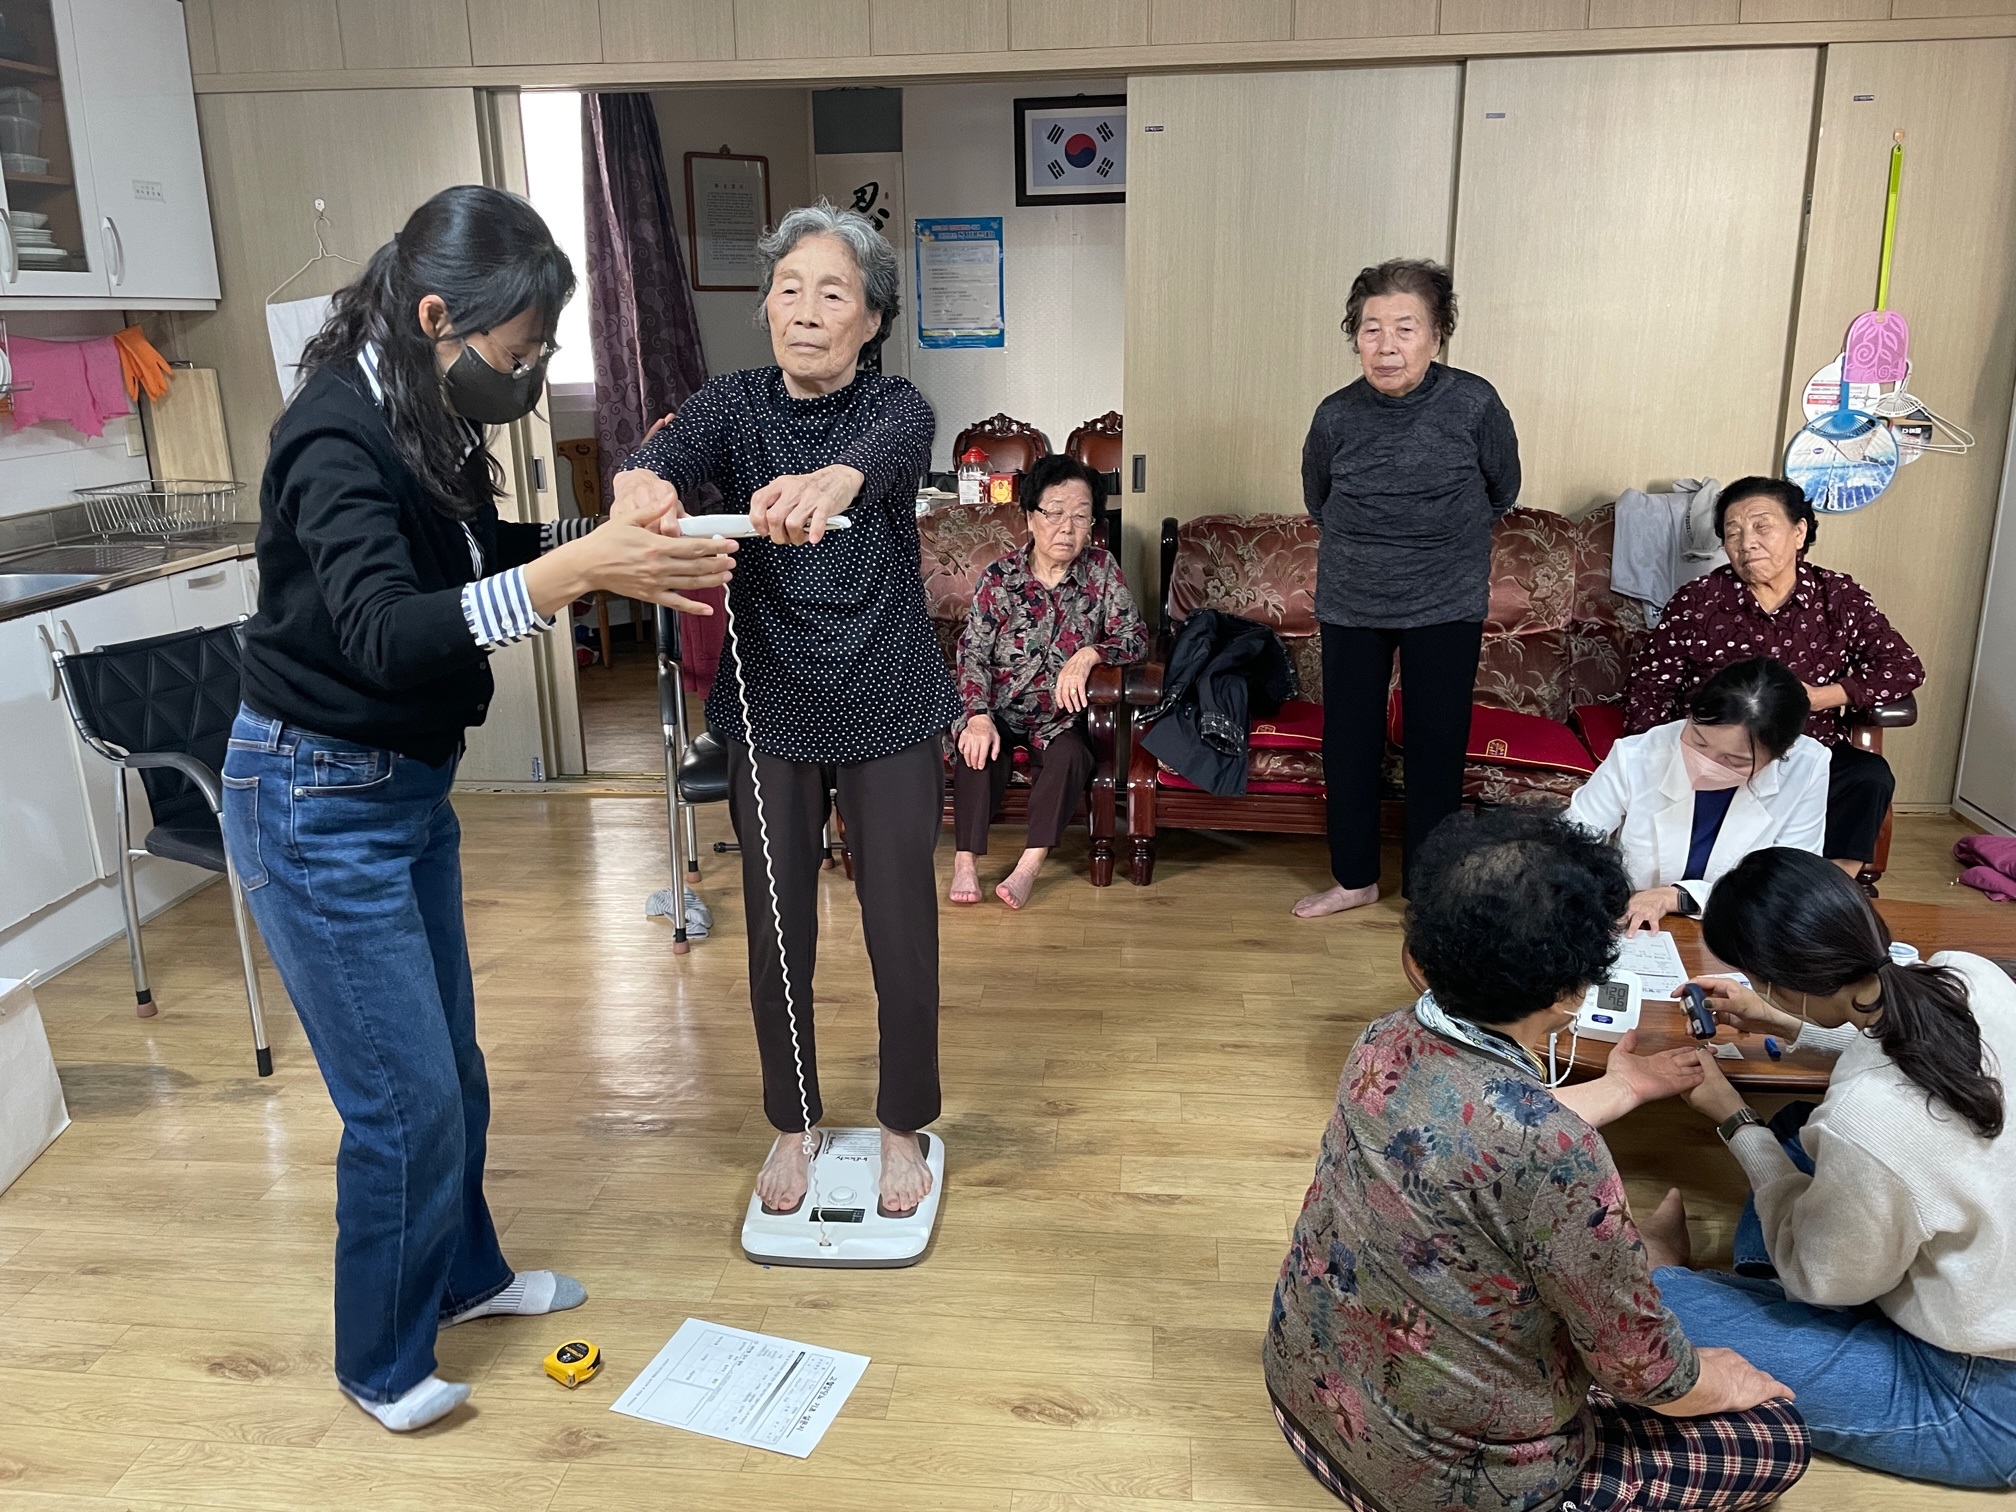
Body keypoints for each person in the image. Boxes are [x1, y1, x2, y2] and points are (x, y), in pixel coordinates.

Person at [220, 187, 736, 1433]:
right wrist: (581, 572)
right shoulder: (333, 433)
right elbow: (387, 635)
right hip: (312, 795)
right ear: (438, 313)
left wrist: (594, 532)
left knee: (450, 1069)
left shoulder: (418, 411)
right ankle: (379, 1362)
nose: (530, 376)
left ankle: (468, 1277)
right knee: (403, 1103)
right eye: (521, 356)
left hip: (397, 789)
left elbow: (465, 552)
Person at [1265, 808, 1809, 1512]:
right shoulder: (1560, 1154)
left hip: (1306, 1395)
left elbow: (1471, 1138)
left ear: (1420, 958)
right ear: (1571, 994)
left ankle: (1656, 1266)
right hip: (1439, 1484)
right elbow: (1644, 1374)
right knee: (1776, 1432)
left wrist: (1621, 1087)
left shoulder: (1381, 1039)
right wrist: (1712, 1380)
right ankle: (1664, 1268)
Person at [615, 202, 957, 1220]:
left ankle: (903, 1125)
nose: (806, 310)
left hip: (890, 697)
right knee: (776, 930)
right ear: (766, 304)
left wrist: (825, 480)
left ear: (871, 319)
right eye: (790, 289)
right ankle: (792, 1121)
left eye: (834, 293)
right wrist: (641, 478)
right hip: (771, 705)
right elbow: (666, 459)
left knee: (901, 930)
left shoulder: (898, 406)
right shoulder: (730, 404)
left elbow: (878, 458)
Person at [1643, 847, 2016, 1488]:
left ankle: (1713, 1288)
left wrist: (1732, 1116)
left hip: (1978, 1398)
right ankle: (1758, 1286)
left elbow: (1826, 1285)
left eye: (1758, 984)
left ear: (1779, 977)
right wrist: (1782, 1020)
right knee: (1798, 1135)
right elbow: (1890, 1030)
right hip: (1978, 1293)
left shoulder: (1866, 1121)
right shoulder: (1968, 975)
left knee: (1644, 1297)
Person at [1294, 259, 1521, 919]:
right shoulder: (1335, 415)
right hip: (1353, 597)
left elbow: (1502, 488)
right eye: (1370, 330)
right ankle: (1355, 878)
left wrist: (1436, 541)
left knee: (1436, 741)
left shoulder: (1475, 403)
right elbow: (1319, 498)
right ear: (1354, 338)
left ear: (1437, 336)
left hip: (1445, 596)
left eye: (1405, 328)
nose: (1386, 345)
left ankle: (1429, 889)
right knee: (1350, 741)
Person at [1625, 475, 1924, 880]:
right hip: (1719, 751)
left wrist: (1820, 698)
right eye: (1733, 533)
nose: (1746, 542)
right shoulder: (1699, 601)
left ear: (1799, 532)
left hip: (1807, 749)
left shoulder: (1837, 596)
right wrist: (1659, 754)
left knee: (1868, 776)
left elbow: (1902, 665)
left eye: (1762, 527)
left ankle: (1829, 890)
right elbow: (1651, 686)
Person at [949, 453, 1145, 909]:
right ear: (1030, 517)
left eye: (1080, 516)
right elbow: (972, 652)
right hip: (997, 705)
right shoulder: (999, 577)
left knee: (1072, 756)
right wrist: (976, 716)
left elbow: (1134, 636)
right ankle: (965, 863)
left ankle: (1027, 868)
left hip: (1057, 716)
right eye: (1054, 513)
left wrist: (1091, 652)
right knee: (978, 749)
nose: (1067, 528)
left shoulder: (1101, 570)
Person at [1568, 656, 1828, 934]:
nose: (1705, 765)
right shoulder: (1638, 755)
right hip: (1638, 927)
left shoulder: (1807, 767)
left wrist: (1678, 897)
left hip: (1741, 930)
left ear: (1780, 754)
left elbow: (1790, 883)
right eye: (1698, 742)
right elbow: (1569, 842)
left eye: (1735, 760)